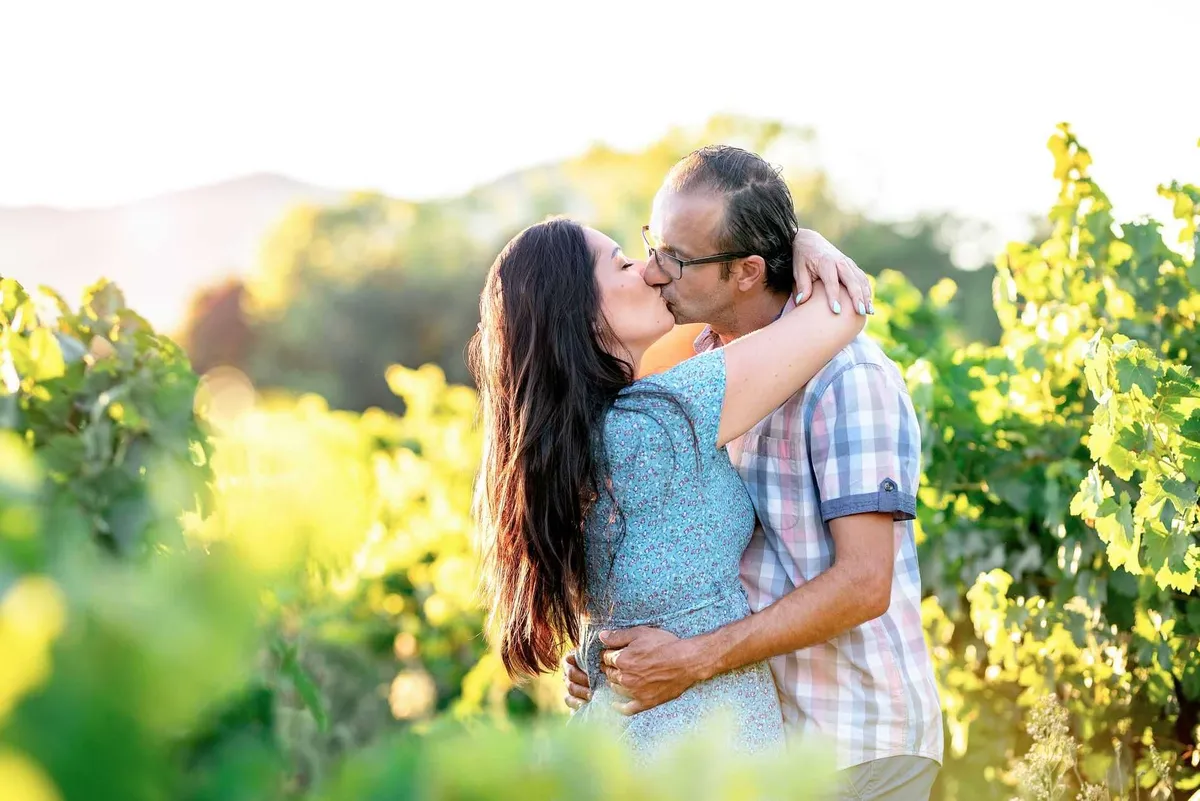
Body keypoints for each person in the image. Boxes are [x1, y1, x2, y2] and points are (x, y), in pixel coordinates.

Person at [563, 146, 944, 800]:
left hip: (856, 738)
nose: (654, 271)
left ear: (746, 272)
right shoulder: (694, 367)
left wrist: (692, 659)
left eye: (675, 259)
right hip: (764, 738)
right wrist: (606, 659)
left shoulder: (850, 379)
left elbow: (863, 583)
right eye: (653, 244)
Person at [469, 207, 868, 759]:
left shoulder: (567, 447)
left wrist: (591, 659)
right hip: (700, 744)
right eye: (621, 264)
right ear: (582, 313)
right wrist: (803, 242)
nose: (650, 269)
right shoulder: (662, 418)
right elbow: (842, 308)